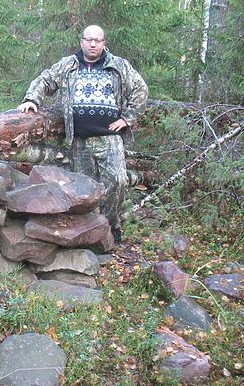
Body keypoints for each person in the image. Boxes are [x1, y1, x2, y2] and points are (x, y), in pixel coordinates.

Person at [18, 25, 148, 243]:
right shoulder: (68, 65)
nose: (93, 44)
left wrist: (127, 118)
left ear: (104, 43)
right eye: (89, 40)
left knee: (118, 182)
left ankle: (109, 227)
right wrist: (31, 99)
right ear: (82, 42)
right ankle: (89, 233)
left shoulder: (118, 66)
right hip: (79, 139)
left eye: (98, 40)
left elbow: (140, 89)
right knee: (84, 189)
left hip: (109, 137)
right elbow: (45, 80)